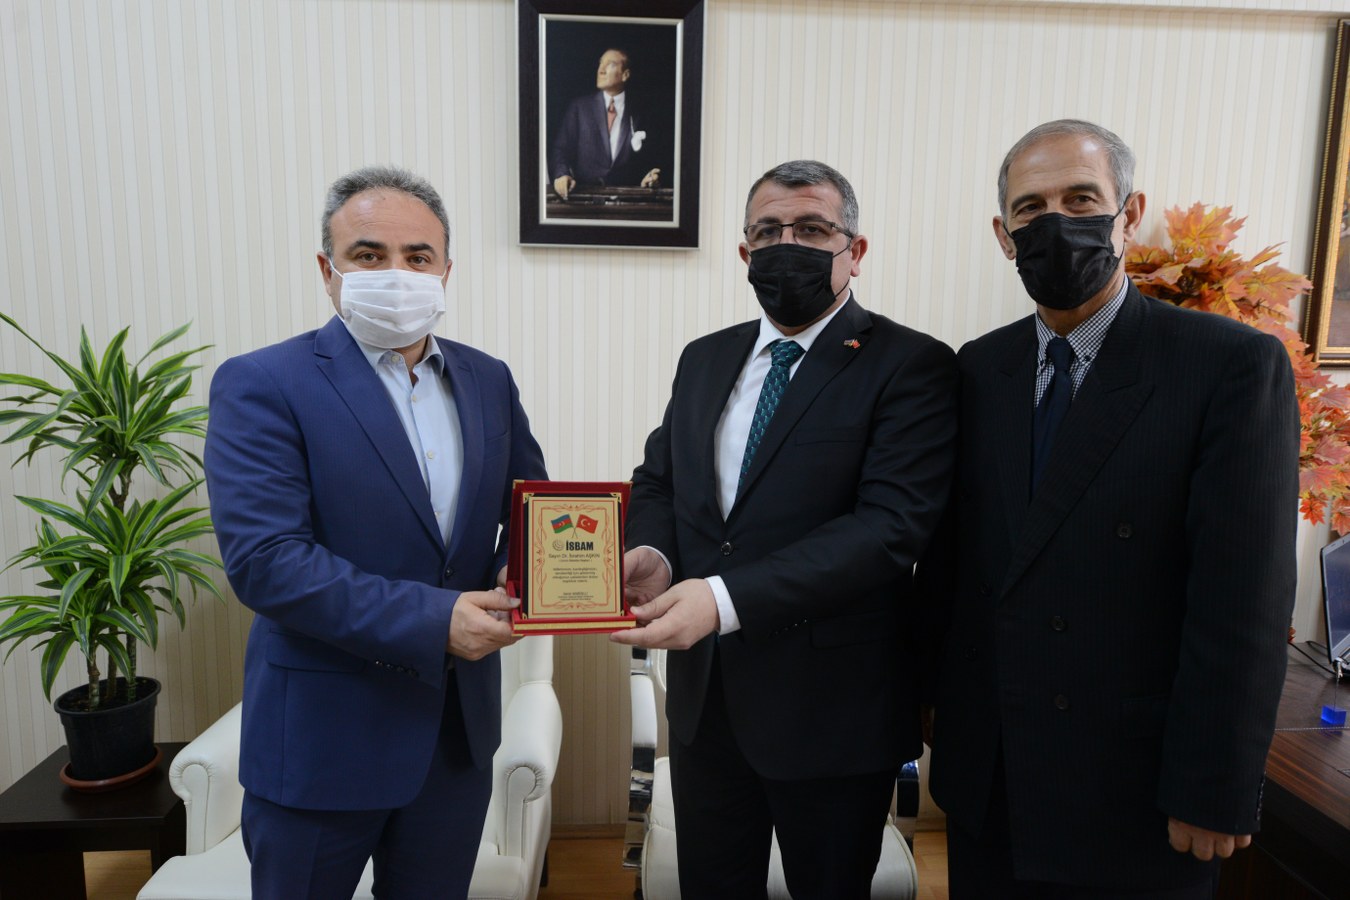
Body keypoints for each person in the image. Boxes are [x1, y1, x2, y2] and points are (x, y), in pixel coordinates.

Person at [921, 119, 1299, 898]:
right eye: (1031, 208)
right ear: (1003, 235)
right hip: (992, 775)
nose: (1055, 222)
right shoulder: (979, 369)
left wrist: (1216, 784)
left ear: (1129, 216)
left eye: (1081, 199)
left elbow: (1244, 599)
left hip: (1135, 790)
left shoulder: (1227, 365)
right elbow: (955, 569)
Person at [613, 160, 958, 898]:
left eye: (811, 229)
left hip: (834, 713)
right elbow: (660, 480)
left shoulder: (912, 365)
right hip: (708, 707)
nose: (786, 245)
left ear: (854, 251)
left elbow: (889, 528)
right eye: (767, 232)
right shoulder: (705, 358)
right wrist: (653, 552)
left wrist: (722, 599)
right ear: (744, 253)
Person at [203, 166, 547, 899]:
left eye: (418, 256)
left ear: (446, 271)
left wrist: (524, 575)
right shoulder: (263, 382)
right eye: (369, 255)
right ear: (326, 270)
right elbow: (267, 562)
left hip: (454, 740)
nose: (397, 273)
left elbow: (528, 510)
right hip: (322, 742)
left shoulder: (488, 379)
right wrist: (436, 619)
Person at [548, 48, 662, 200]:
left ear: (625, 75)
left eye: (611, 64)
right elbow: (560, 150)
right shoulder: (579, 108)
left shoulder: (641, 112)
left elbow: (651, 158)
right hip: (584, 200)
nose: (601, 70)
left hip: (628, 201)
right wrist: (562, 174)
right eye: (600, 64)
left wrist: (649, 177)